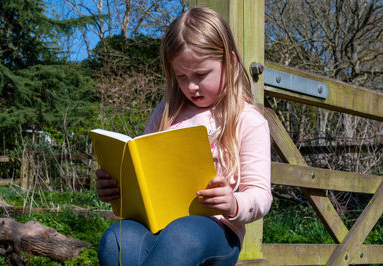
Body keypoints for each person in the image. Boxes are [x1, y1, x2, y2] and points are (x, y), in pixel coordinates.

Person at [96, 6, 272, 266]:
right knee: (116, 240)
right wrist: (117, 189)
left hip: (216, 231)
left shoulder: (248, 120)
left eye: (201, 75)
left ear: (231, 63)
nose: (191, 86)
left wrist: (233, 202)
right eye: (182, 76)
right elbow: (145, 175)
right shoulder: (165, 114)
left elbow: (261, 195)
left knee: (182, 236)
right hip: (155, 226)